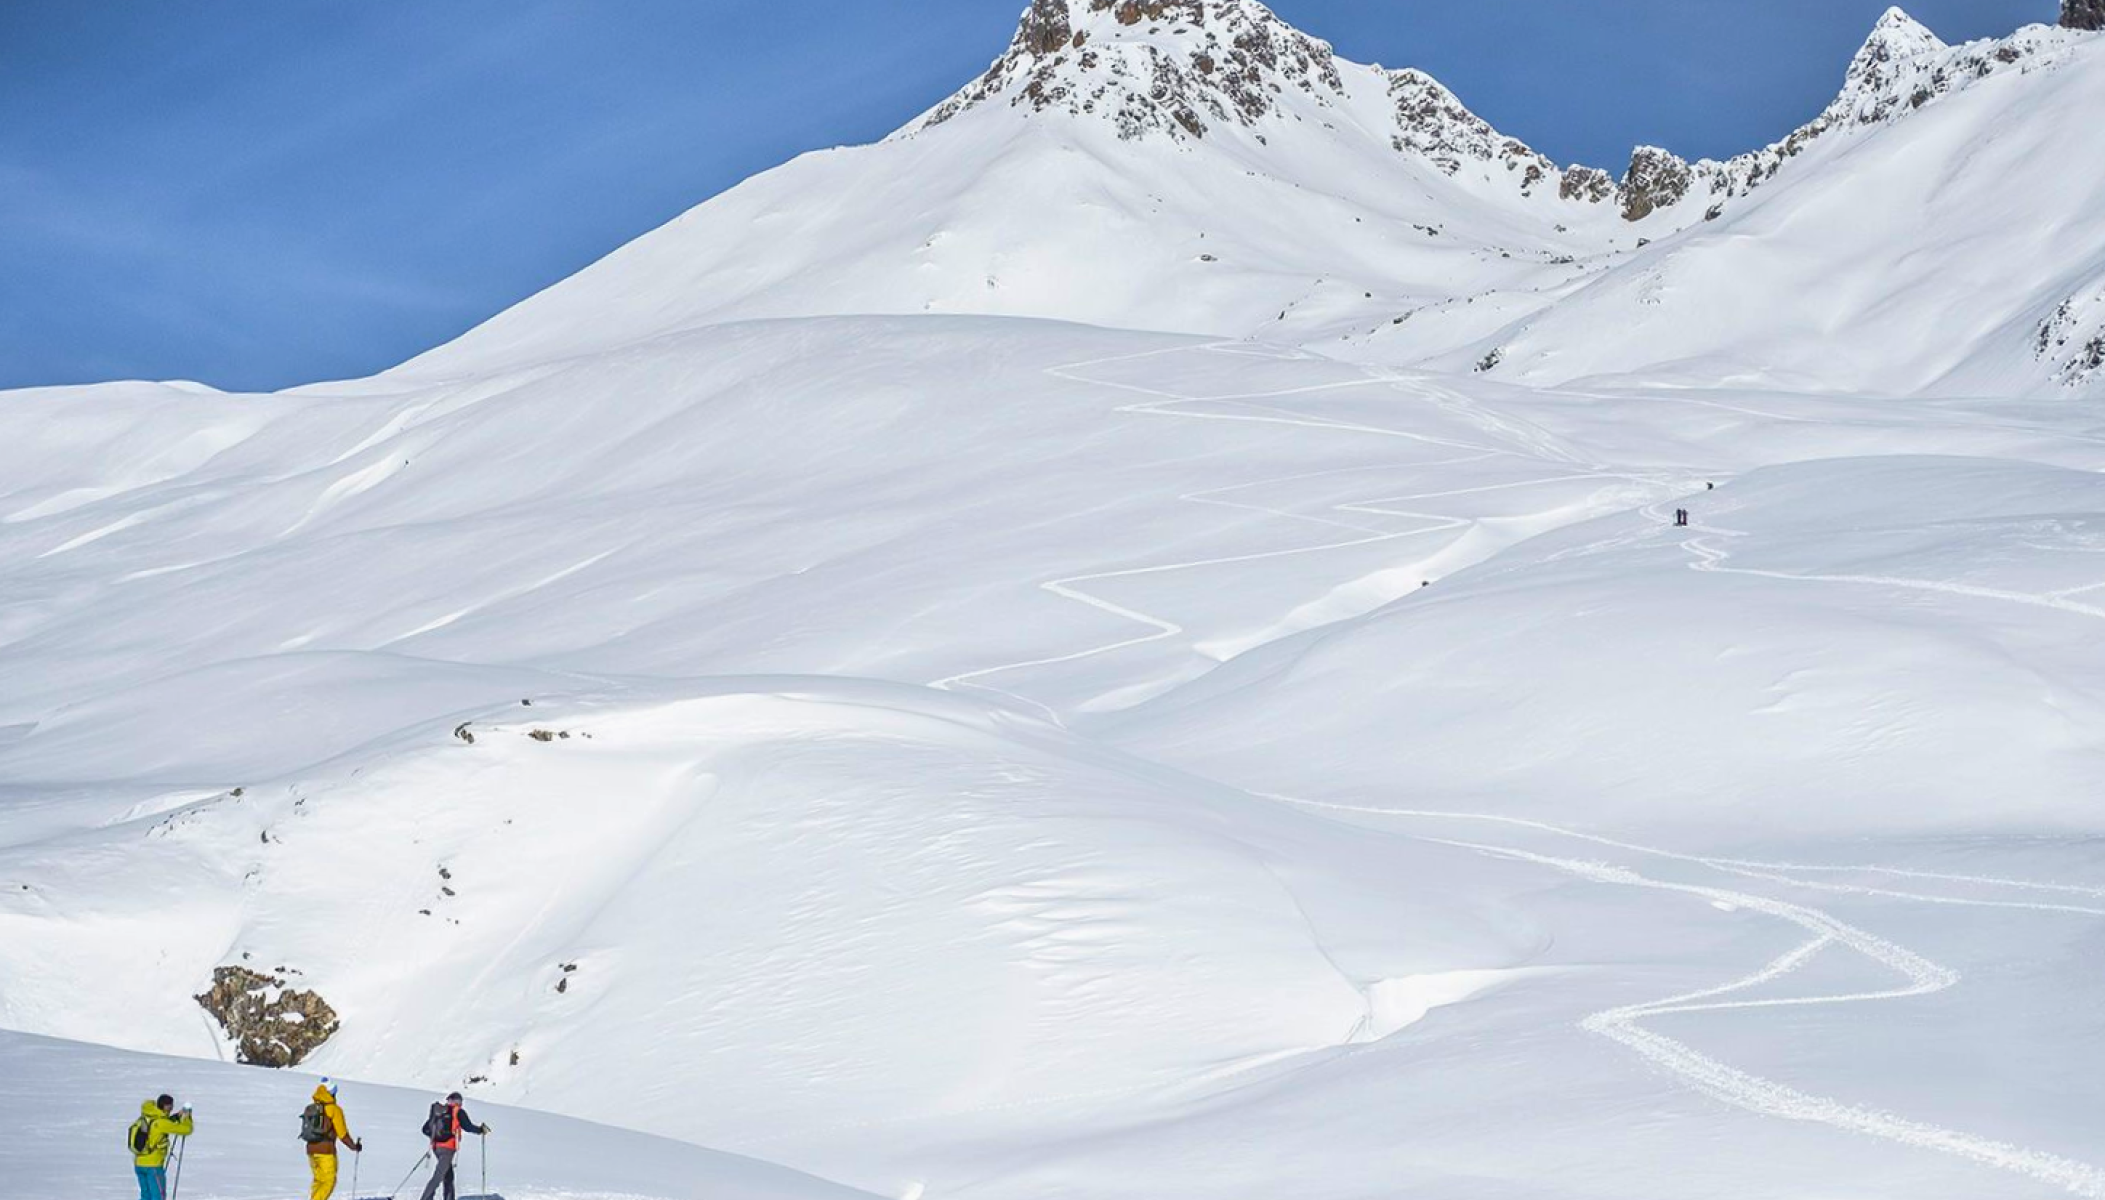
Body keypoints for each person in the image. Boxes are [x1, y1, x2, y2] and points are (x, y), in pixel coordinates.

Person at [418, 1091, 491, 1200]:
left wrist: (436, 1137)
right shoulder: (458, 1112)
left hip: (436, 1148)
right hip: (448, 1148)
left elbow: (425, 1129)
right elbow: (468, 1127)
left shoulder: (439, 1112)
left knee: (448, 1175)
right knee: (438, 1176)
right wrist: (480, 1130)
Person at [303, 1078, 363, 1200]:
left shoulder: (311, 1107)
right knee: (329, 1181)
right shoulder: (334, 1109)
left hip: (311, 1150)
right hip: (326, 1151)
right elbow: (343, 1135)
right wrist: (354, 1147)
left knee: (319, 1180)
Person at [128, 1094, 193, 1200]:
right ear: (166, 1107)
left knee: (146, 1196)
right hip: (153, 1166)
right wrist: (187, 1117)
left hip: (139, 1163)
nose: (171, 1109)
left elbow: (159, 1125)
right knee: (158, 1197)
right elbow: (186, 1130)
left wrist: (177, 1116)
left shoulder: (147, 1117)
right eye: (171, 1107)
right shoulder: (161, 1122)